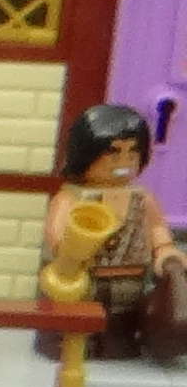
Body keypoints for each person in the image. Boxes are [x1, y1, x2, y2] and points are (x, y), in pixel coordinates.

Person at [44, 98, 172, 357]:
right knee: (77, 320)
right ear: (86, 155)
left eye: (132, 153)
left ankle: (119, 344)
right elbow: (56, 233)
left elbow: (156, 228)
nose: (124, 162)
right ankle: (72, 346)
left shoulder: (142, 199)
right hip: (84, 277)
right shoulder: (70, 198)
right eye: (113, 153)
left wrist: (165, 249)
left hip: (130, 278)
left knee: (121, 322)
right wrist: (68, 248)